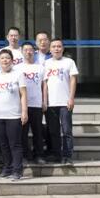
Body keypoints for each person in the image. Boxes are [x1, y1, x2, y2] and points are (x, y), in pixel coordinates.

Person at [0, 49, 28, 181]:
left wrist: (24, 111)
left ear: (12, 60)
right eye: (2, 58)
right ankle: (7, 168)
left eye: (7, 58)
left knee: (15, 144)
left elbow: (23, 94)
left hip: (14, 115)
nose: (5, 60)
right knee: (3, 144)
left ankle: (17, 170)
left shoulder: (18, 74)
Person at [42, 37, 79, 165]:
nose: (56, 49)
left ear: (63, 48)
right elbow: (45, 84)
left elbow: (73, 80)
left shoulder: (69, 62)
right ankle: (57, 154)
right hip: (50, 103)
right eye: (54, 47)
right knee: (53, 131)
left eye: (59, 46)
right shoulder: (46, 63)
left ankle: (67, 156)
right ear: (50, 49)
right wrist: (44, 101)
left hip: (65, 102)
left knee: (67, 130)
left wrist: (71, 98)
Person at [18, 42, 47, 164]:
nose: (28, 52)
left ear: (34, 52)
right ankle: (25, 155)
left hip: (36, 104)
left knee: (38, 131)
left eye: (30, 50)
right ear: (22, 52)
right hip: (21, 106)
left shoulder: (40, 67)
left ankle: (39, 155)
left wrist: (44, 101)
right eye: (26, 50)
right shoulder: (17, 68)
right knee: (22, 132)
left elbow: (44, 85)